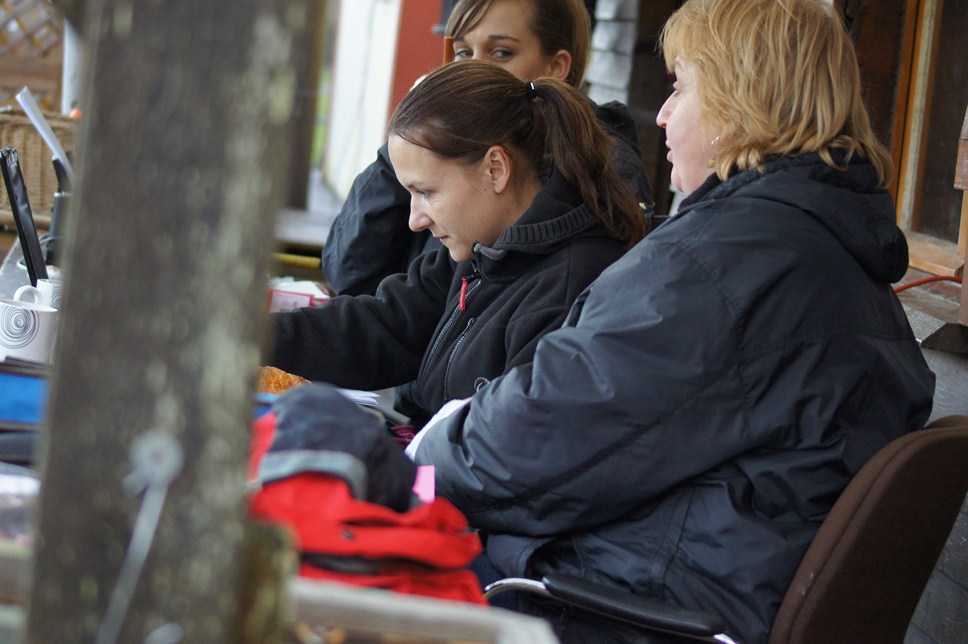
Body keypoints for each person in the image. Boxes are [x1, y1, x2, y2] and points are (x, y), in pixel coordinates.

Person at [406, 0, 936, 641]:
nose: (659, 114)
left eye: (680, 87)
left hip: (626, 612)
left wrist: (420, 460)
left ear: (738, 104)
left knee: (347, 563)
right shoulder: (823, 250)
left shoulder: (727, 262)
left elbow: (535, 440)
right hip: (687, 592)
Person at [270, 60, 644, 429]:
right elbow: (387, 324)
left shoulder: (568, 288)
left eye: (426, 192)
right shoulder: (482, 247)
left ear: (495, 168)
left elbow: (508, 445)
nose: (415, 219)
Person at [322, 0, 654, 296]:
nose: (471, 68)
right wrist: (414, 138)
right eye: (463, 53)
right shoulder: (452, 150)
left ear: (556, 68)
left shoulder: (601, 164)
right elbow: (349, 274)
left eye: (501, 53)